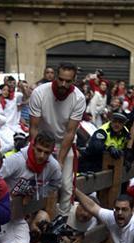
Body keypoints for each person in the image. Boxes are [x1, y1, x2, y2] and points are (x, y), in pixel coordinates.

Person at [29, 62, 87, 217]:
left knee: (66, 186)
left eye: (68, 81)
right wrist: (34, 151)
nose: (63, 84)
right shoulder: (39, 93)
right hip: (41, 142)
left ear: (74, 80)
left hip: (64, 143)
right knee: (36, 180)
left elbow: (70, 131)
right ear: (55, 76)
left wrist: (60, 161)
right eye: (61, 79)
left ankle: (62, 221)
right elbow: (33, 127)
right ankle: (34, 217)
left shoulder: (79, 98)